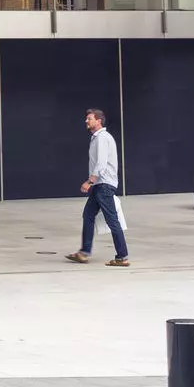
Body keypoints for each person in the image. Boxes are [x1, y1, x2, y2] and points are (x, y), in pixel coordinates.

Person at [65, 108, 129, 267]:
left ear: (99, 121)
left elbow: (101, 164)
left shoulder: (102, 138)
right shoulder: (97, 138)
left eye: (89, 119)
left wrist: (89, 181)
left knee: (112, 220)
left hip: (103, 185)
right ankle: (84, 253)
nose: (86, 121)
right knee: (88, 215)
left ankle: (122, 256)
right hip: (100, 185)